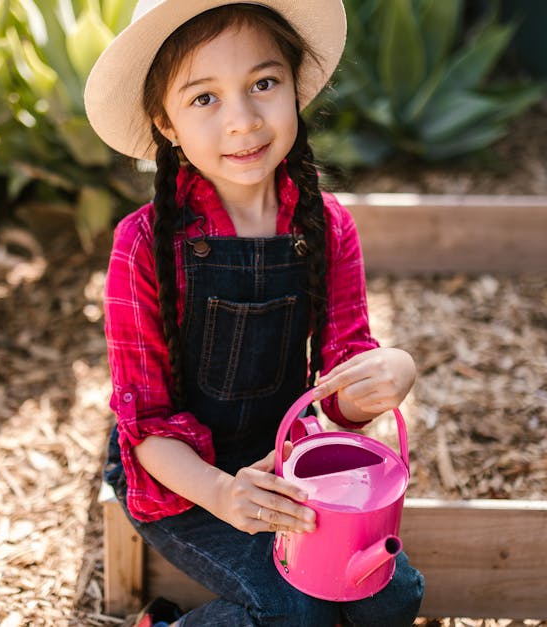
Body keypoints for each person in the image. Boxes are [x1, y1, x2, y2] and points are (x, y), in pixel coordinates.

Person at [85, 1, 424, 624]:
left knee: (390, 593)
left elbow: (339, 394)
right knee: (294, 610)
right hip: (183, 480)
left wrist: (388, 373)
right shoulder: (144, 244)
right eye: (204, 98)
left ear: (295, 86)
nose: (243, 121)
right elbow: (147, 426)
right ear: (166, 123)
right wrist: (222, 493)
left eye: (263, 84)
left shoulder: (326, 226)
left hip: (287, 462)